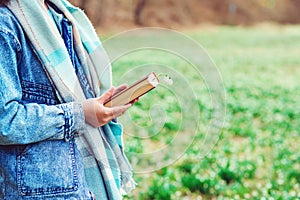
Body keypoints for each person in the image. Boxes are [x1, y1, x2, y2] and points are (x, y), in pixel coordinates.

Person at [0, 0, 136, 199]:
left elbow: (71, 95)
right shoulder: (6, 25)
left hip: (81, 185)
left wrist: (99, 106)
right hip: (40, 190)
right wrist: (79, 115)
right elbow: (5, 120)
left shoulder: (61, 14)